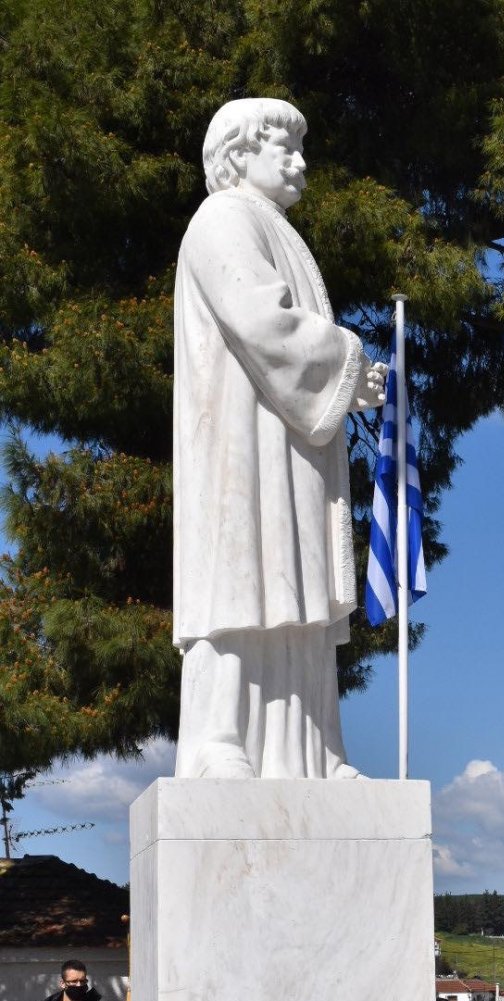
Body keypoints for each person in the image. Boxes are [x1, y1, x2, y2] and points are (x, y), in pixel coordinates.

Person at [173, 97, 387, 779]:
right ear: (238, 154)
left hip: (291, 442)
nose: (300, 163)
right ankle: (218, 739)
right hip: (240, 438)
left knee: (295, 580)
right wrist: (348, 362)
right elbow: (263, 320)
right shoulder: (222, 219)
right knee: (239, 573)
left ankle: (314, 750)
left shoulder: (278, 230)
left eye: (302, 148)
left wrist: (346, 380)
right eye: (284, 148)